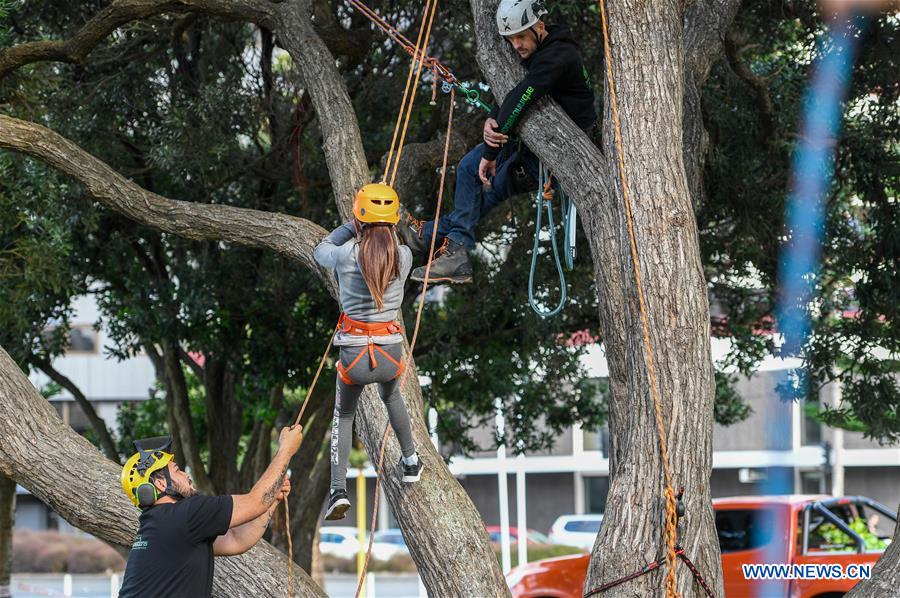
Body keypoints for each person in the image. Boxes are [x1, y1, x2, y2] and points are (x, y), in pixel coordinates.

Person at [398, 0, 597, 284]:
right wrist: (492, 119)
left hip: (548, 159)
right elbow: (514, 92)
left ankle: (434, 242)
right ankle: (434, 241)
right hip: (530, 147)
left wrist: (491, 149)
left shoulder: (559, 56)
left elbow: (523, 96)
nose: (515, 45)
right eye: (510, 38)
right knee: (470, 177)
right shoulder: (545, 51)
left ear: (539, 26)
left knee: (476, 182)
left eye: (520, 36)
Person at [314, 183, 423, 521]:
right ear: (392, 222)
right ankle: (410, 462)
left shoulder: (346, 254)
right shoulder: (404, 257)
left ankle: (337, 490)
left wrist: (351, 225)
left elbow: (321, 249)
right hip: (390, 353)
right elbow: (396, 239)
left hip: (355, 356)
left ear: (360, 220)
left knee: (343, 416)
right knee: (393, 399)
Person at [118, 426, 303, 598]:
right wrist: (286, 450)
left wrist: (271, 501)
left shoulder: (164, 524)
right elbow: (255, 501)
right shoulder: (185, 514)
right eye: (177, 470)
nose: (186, 474)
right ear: (160, 483)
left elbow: (237, 540)